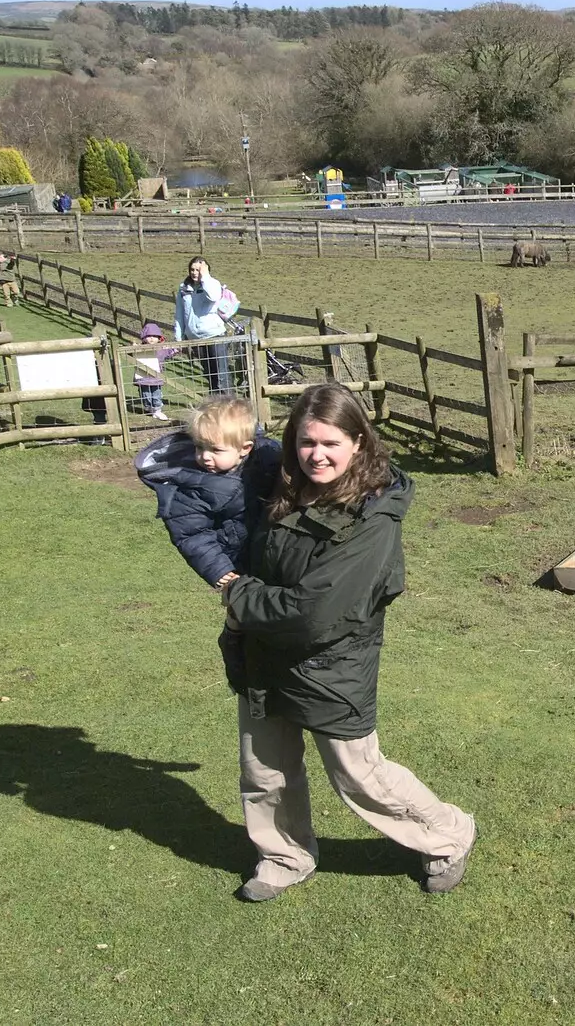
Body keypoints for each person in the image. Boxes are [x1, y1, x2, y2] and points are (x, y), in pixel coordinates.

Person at [221, 384, 477, 903]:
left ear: (358, 442)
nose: (316, 454)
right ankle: (284, 855)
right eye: (306, 442)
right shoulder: (286, 487)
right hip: (266, 657)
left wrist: (239, 595)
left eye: (330, 443)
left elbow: (315, 613)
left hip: (330, 665)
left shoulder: (372, 519)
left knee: (360, 775)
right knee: (264, 770)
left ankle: (449, 834)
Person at [135, 395, 282, 691]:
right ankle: (243, 679)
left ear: (245, 449)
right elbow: (191, 535)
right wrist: (219, 571)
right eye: (200, 447)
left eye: (215, 449)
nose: (204, 457)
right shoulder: (188, 487)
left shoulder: (267, 460)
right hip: (236, 567)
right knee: (242, 624)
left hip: (269, 555)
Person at [173, 256, 233, 394]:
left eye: (198, 270)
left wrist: (205, 277)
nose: (194, 272)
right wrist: (179, 338)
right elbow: (180, 313)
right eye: (192, 269)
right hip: (196, 339)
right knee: (209, 374)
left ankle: (228, 406)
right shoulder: (183, 289)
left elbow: (212, 296)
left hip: (215, 335)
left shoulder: (213, 284)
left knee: (221, 375)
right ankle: (215, 405)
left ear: (205, 270)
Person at [132, 322, 176, 421]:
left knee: (156, 394)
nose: (152, 338)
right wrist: (133, 348)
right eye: (149, 336)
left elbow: (170, 352)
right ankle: (148, 407)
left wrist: (177, 348)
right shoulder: (139, 348)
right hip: (143, 377)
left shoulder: (162, 348)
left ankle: (157, 410)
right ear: (144, 337)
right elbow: (131, 354)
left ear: (159, 337)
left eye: (155, 336)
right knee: (145, 395)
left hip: (156, 377)